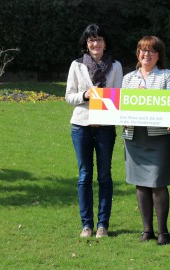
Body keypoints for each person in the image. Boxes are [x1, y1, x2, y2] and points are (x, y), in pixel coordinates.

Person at [65, 24, 123, 238]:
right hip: (81, 127)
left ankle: (102, 225)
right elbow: (69, 96)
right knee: (84, 176)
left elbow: (119, 97)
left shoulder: (115, 66)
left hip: (106, 128)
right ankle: (86, 225)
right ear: (86, 43)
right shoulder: (77, 65)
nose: (95, 44)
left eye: (99, 39)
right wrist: (85, 96)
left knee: (105, 176)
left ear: (105, 43)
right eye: (91, 40)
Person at [122, 36, 170, 245]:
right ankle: (147, 230)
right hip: (134, 136)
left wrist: (147, 97)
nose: (147, 55)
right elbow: (121, 107)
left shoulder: (167, 76)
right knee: (141, 185)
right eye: (143, 51)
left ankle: (163, 231)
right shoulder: (128, 79)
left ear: (158, 55)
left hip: (159, 137)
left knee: (158, 183)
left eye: (151, 51)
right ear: (138, 54)